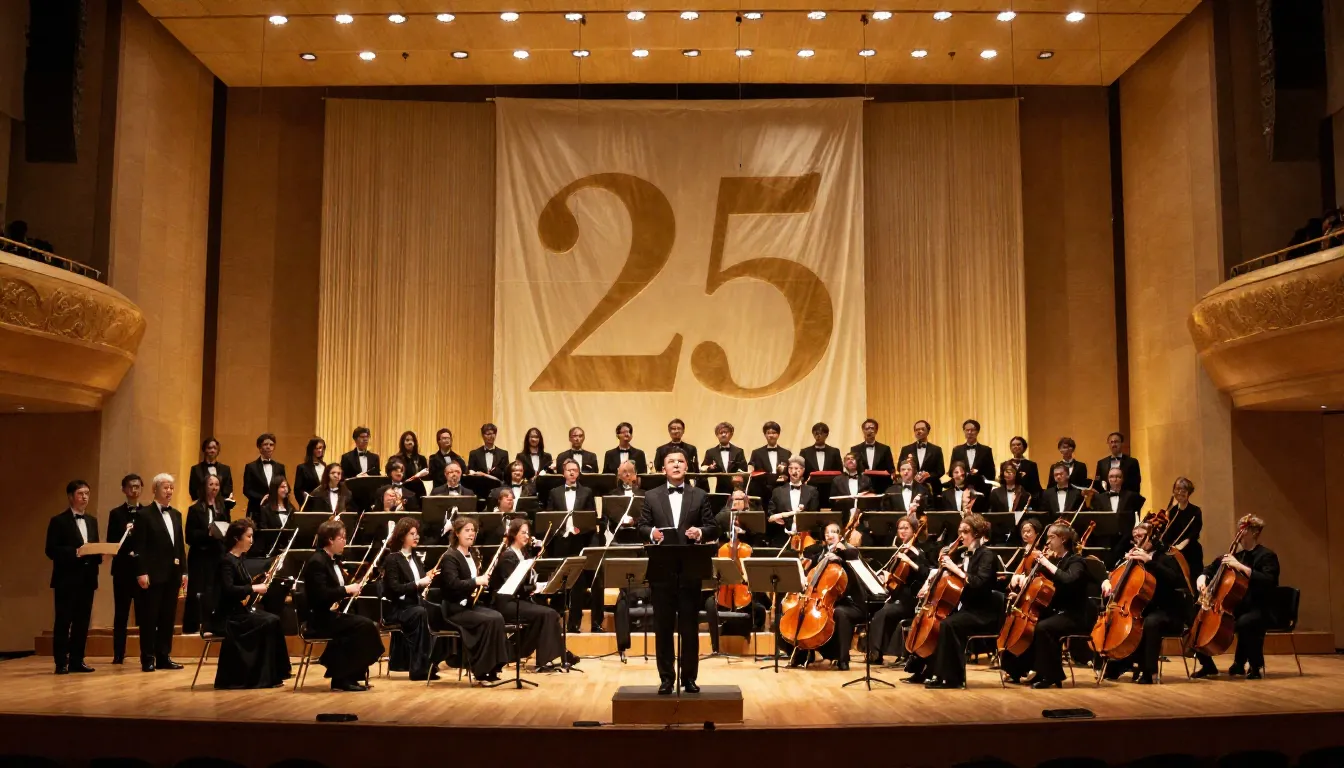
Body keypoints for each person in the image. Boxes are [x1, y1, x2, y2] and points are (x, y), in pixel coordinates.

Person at [638, 449, 717, 694]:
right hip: (661, 570)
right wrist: (652, 533)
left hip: (690, 569)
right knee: (662, 628)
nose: (676, 465)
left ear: (686, 467)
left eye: (680, 461)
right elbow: (642, 526)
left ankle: (689, 678)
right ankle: (666, 678)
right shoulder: (651, 496)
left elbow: (713, 527)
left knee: (689, 628)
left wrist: (700, 532)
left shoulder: (699, 495)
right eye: (671, 462)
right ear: (663, 469)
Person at [904, 513, 998, 689]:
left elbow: (979, 583)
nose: (961, 536)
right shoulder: (964, 554)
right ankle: (930, 672)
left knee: (949, 625)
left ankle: (952, 678)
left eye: (965, 532)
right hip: (967, 608)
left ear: (977, 533)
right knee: (938, 624)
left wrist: (955, 568)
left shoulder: (987, 555)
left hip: (983, 612)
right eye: (960, 531)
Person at [999, 522, 1093, 688]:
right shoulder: (1055, 560)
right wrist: (1024, 587)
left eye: (1051, 537)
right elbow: (1041, 584)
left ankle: (1051, 676)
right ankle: (1019, 669)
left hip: (1074, 615)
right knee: (1030, 625)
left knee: (1044, 628)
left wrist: (1046, 563)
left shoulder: (1076, 561)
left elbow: (1068, 579)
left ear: (1063, 539)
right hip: (1056, 611)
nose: (1047, 541)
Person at [1191, 514, 1279, 680]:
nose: (1239, 533)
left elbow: (1268, 580)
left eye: (1243, 529)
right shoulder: (1236, 555)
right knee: (1195, 618)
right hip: (1235, 606)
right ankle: (1208, 665)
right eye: (1239, 529)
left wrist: (1240, 567)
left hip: (1259, 606)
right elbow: (1210, 568)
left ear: (1254, 532)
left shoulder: (1267, 556)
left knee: (1246, 622)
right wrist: (1202, 578)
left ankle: (1254, 666)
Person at [1101, 522, 1190, 684]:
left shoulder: (1166, 557)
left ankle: (1149, 671)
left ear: (1153, 537)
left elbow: (1176, 580)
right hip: (1142, 608)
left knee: (1149, 622)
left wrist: (1149, 560)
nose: (1138, 540)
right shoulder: (1133, 557)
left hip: (1167, 610)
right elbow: (1113, 575)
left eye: (1141, 536)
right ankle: (1121, 661)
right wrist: (1108, 580)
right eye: (1135, 537)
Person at [300, 520, 385, 690]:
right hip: (319, 618)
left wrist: (351, 590)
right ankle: (342, 678)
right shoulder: (317, 561)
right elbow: (320, 595)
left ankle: (349, 677)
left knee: (367, 625)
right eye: (342, 538)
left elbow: (336, 590)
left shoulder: (332, 560)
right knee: (363, 626)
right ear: (330, 539)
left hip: (330, 615)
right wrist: (346, 589)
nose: (345, 541)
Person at [490, 517, 579, 672]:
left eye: (527, 533)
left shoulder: (522, 554)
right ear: (514, 534)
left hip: (519, 600)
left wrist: (538, 584)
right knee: (548, 614)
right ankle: (548, 659)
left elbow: (527, 581)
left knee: (549, 614)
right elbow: (514, 586)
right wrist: (535, 587)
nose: (527, 536)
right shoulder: (508, 556)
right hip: (506, 603)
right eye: (523, 533)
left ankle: (527, 654)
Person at [212, 518, 292, 689]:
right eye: (248, 536)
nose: (251, 540)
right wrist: (254, 588)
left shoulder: (239, 559)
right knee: (269, 621)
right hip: (229, 616)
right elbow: (229, 590)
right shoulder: (227, 561)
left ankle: (276, 673)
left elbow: (243, 586)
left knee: (273, 619)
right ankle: (262, 677)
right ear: (237, 538)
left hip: (240, 611)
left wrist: (261, 581)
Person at [779, 522, 866, 671]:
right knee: (796, 613)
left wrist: (842, 555)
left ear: (840, 535)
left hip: (848, 601)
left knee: (840, 614)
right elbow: (812, 575)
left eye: (833, 532)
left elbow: (853, 557)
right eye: (827, 532)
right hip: (825, 600)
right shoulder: (822, 554)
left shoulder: (849, 551)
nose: (829, 535)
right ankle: (801, 654)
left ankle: (843, 658)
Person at [435, 517, 510, 683]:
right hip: (454, 609)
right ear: (457, 533)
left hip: (469, 605)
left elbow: (472, 583)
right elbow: (453, 584)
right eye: (467, 530)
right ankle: (481, 671)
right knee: (489, 621)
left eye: (473, 531)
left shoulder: (473, 554)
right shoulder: (450, 557)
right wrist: (476, 581)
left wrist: (483, 583)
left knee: (497, 617)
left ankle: (493, 668)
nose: (471, 534)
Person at [46, 480, 102, 675]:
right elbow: (51, 550)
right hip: (66, 580)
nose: (85, 497)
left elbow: (93, 545)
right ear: (70, 497)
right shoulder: (58, 521)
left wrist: (100, 552)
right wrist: (75, 552)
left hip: (87, 579)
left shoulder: (92, 521)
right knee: (63, 621)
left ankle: (77, 660)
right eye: (80, 493)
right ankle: (61, 662)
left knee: (82, 622)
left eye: (87, 493)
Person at [133, 473, 187, 673]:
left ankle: (164, 656)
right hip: (152, 574)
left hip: (172, 574)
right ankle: (147, 658)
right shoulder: (144, 515)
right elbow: (139, 546)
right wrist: (141, 572)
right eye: (165, 487)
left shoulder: (176, 515)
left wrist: (184, 571)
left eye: (171, 487)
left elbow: (179, 546)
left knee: (167, 617)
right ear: (154, 490)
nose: (169, 491)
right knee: (149, 617)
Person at [380, 517, 443, 681]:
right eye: (412, 534)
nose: (417, 537)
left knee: (440, 611)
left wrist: (427, 578)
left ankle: (432, 662)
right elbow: (395, 588)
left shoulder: (415, 557)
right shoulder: (392, 559)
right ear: (402, 536)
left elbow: (418, 585)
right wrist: (418, 583)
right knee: (421, 613)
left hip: (414, 605)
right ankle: (418, 669)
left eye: (417, 533)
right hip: (398, 608)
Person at [705, 491, 768, 653]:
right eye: (734, 499)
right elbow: (715, 531)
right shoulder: (723, 516)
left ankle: (752, 639)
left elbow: (759, 535)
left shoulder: (752, 518)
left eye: (740, 499)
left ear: (746, 501)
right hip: (725, 585)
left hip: (744, 583)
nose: (737, 502)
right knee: (710, 603)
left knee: (759, 608)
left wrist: (745, 532)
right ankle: (715, 644)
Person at [546, 459, 600, 632]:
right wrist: (562, 531)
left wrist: (580, 529)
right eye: (569, 470)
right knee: (559, 583)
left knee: (578, 583)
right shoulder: (554, 492)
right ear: (563, 473)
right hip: (560, 542)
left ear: (578, 473)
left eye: (575, 470)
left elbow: (592, 517)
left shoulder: (587, 492)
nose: (571, 473)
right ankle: (555, 623)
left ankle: (574, 623)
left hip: (579, 542)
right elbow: (549, 517)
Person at [868, 515, 929, 665]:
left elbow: (925, 573)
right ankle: (874, 651)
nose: (902, 531)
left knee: (884, 613)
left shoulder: (918, 552)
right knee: (877, 609)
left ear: (914, 530)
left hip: (911, 599)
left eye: (906, 528)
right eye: (900, 528)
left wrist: (909, 561)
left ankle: (875, 653)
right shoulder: (901, 550)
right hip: (897, 595)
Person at [183, 474, 231, 634]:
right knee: (197, 590)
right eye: (211, 484)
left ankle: (213, 625)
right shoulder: (195, 509)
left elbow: (228, 529)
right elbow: (189, 536)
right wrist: (208, 533)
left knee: (215, 590)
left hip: (217, 554)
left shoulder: (222, 508)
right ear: (204, 486)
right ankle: (193, 626)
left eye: (217, 484)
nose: (214, 488)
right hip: (200, 555)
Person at [106, 474, 143, 665]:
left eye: (137, 486)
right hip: (122, 570)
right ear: (124, 489)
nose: (134, 490)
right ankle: (118, 654)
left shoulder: (147, 512)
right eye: (130, 487)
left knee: (144, 614)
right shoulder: (116, 514)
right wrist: (125, 532)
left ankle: (146, 654)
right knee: (121, 614)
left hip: (141, 570)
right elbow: (112, 542)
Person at [1093, 466, 1143, 567]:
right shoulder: (1099, 498)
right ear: (1108, 479)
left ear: (1122, 479)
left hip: (1125, 541)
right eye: (1111, 476)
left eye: (1118, 476)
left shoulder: (1132, 496)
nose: (1114, 479)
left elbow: (1137, 512)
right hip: (1106, 543)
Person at [767, 456, 819, 549]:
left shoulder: (812, 491)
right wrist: (776, 519)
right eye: (790, 468)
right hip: (781, 538)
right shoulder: (777, 491)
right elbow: (770, 512)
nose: (793, 471)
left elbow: (814, 515)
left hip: (805, 538)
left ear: (803, 470)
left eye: (796, 468)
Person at [829, 451, 875, 542]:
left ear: (857, 462)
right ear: (844, 463)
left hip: (861, 520)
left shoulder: (866, 479)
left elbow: (871, 499)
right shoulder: (837, 480)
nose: (850, 460)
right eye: (847, 459)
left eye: (853, 459)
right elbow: (832, 502)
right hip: (843, 520)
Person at [988, 460, 1033, 544]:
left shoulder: (1024, 493)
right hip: (999, 535)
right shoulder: (995, 493)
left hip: (1018, 535)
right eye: (1006, 471)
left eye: (1011, 471)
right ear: (1003, 474)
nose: (1009, 474)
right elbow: (993, 514)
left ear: (1016, 473)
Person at [1166, 476, 1204, 574]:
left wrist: (1181, 546)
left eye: (1183, 490)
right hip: (1174, 550)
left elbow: (1194, 532)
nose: (1179, 493)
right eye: (1177, 489)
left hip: (1190, 550)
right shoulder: (1172, 510)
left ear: (1188, 493)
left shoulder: (1195, 511)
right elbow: (1167, 531)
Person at [899, 420, 946, 497]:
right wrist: (911, 475)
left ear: (928, 431)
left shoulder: (936, 450)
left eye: (922, 429)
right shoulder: (906, 449)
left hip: (932, 488)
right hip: (911, 487)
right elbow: (899, 467)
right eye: (917, 429)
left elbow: (941, 471)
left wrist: (929, 475)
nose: (919, 431)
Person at [243, 433, 285, 519]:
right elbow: (247, 490)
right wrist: (263, 498)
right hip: (256, 509)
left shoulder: (280, 467)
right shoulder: (251, 467)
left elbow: (284, 487)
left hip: (275, 509)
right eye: (265, 444)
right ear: (259, 447)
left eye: (271, 445)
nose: (268, 447)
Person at [949, 419, 995, 493]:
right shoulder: (957, 450)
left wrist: (978, 473)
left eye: (972, 430)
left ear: (977, 432)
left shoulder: (986, 450)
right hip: (961, 489)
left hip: (981, 489)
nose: (969, 432)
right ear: (964, 431)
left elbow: (991, 473)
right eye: (967, 430)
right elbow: (951, 471)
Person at [702, 421, 748, 493]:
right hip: (717, 489)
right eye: (721, 433)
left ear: (731, 434)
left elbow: (744, 469)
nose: (723, 435)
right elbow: (703, 469)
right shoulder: (710, 452)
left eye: (726, 432)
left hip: (736, 489)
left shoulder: (739, 451)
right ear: (717, 435)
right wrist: (709, 468)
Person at [608, 461, 646, 544]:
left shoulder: (644, 494)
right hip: (618, 534)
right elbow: (610, 516)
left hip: (638, 532)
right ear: (619, 475)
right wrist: (620, 521)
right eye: (624, 472)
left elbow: (646, 516)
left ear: (635, 474)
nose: (628, 474)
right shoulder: (612, 494)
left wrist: (634, 521)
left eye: (631, 471)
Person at [189, 437, 235, 503]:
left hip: (221, 506)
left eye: (215, 448)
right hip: (202, 506)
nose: (212, 450)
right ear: (204, 450)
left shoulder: (225, 469)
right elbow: (193, 492)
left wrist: (218, 502)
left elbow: (228, 490)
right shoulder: (196, 469)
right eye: (209, 448)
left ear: (218, 451)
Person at [293, 437, 328, 505]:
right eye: (316, 448)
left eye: (321, 448)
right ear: (311, 449)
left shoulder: (325, 466)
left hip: (324, 504)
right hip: (309, 505)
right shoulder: (302, 468)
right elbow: (297, 490)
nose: (319, 450)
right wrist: (305, 502)